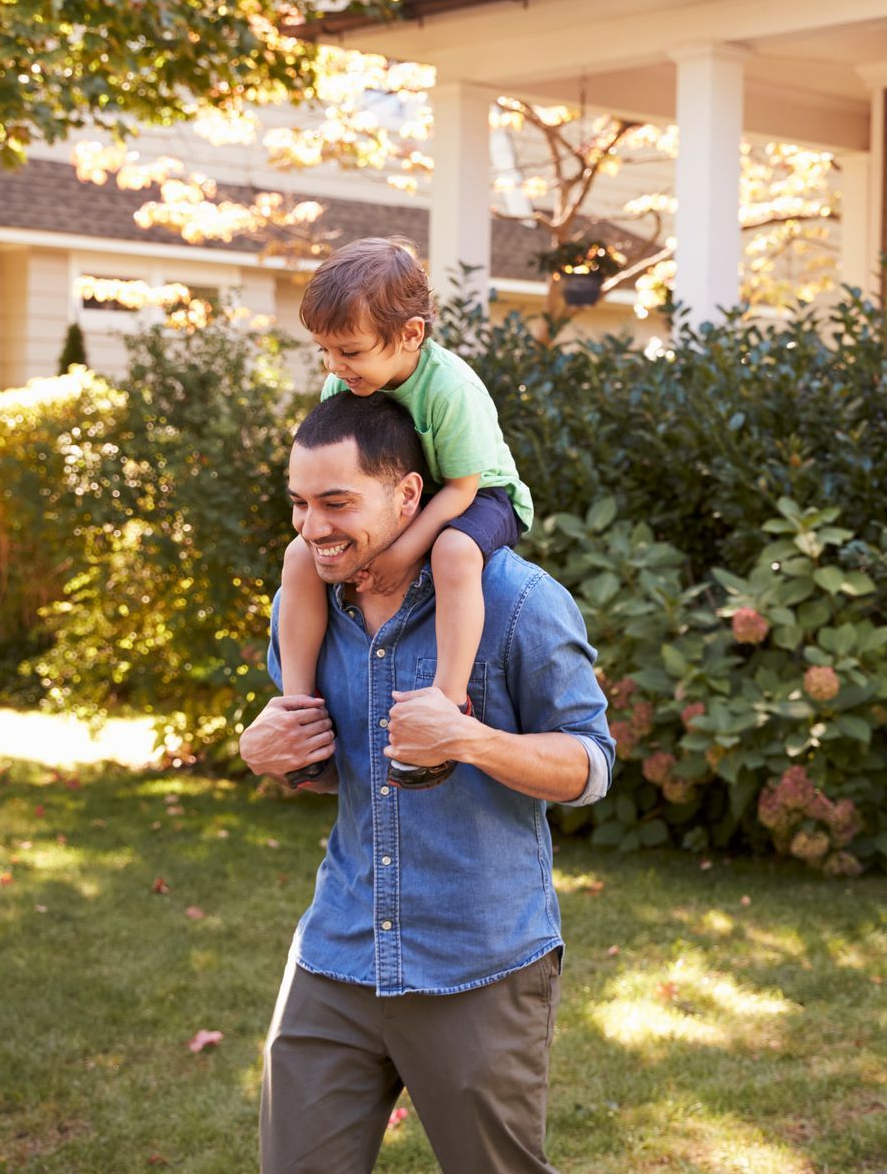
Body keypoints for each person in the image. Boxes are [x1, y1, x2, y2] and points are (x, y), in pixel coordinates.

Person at [239, 391, 613, 1174]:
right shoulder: (308, 599)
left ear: (409, 494)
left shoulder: (516, 602)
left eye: (337, 503)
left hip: (476, 963)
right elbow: (328, 764)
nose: (314, 528)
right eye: (300, 504)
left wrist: (472, 739)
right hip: (338, 953)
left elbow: (590, 762)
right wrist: (266, 750)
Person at [277, 235, 535, 790]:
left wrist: (400, 552)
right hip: (405, 497)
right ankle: (298, 711)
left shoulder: (450, 389)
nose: (334, 365)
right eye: (324, 350)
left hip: (478, 496)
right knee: (298, 554)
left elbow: (462, 489)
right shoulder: (341, 384)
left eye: (349, 350)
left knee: (456, 550)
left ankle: (447, 702)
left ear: (411, 334)